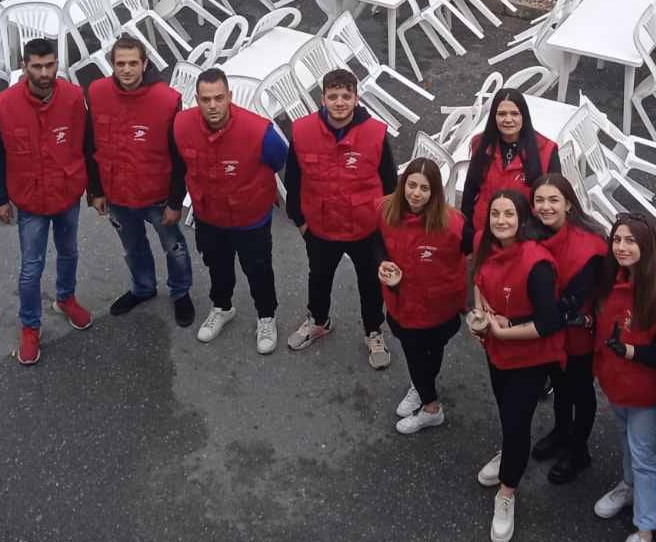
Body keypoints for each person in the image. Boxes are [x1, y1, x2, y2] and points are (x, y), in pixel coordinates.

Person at [0, 38, 94, 366]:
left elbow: (87, 144)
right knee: (31, 267)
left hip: (66, 193)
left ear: (57, 63)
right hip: (30, 199)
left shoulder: (74, 97)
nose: (44, 73)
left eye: (50, 65)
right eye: (37, 66)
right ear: (24, 66)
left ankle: (66, 299)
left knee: (69, 251)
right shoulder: (2, 106)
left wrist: (95, 188)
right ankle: (30, 326)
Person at [284, 69, 399, 368]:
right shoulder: (302, 131)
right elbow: (293, 179)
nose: (339, 102)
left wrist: (387, 227)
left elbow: (390, 183)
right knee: (319, 278)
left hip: (366, 228)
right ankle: (319, 321)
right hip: (320, 227)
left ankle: (373, 330)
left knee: (370, 283)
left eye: (346, 96)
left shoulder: (375, 133)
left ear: (356, 98)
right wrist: (300, 221)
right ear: (322, 99)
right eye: (333, 96)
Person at [170, 68, 289, 354]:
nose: (212, 105)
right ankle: (222, 308)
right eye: (205, 99)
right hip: (209, 216)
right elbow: (179, 165)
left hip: (250, 219)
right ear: (196, 99)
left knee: (258, 269)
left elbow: (280, 161)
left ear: (230, 97)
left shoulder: (260, 132)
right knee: (217, 266)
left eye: (219, 98)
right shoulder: (181, 125)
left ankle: (266, 316)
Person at [470, 189, 564, 542]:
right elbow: (478, 284)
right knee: (506, 411)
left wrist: (500, 332)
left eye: (509, 214)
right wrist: (480, 317)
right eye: (495, 213)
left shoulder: (537, 264)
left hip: (530, 357)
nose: (501, 220)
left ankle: (507, 492)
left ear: (523, 219)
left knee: (517, 421)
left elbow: (549, 323)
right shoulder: (486, 246)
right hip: (498, 351)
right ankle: (510, 451)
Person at [84, 36, 195, 326]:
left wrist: (175, 202)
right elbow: (90, 144)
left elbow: (179, 156)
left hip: (157, 195)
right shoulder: (96, 92)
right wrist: (95, 190)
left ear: (145, 64)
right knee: (133, 248)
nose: (127, 70)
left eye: (133, 63)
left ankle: (181, 292)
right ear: (112, 64)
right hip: (117, 194)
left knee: (174, 247)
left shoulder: (167, 100)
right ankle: (143, 288)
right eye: (120, 63)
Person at [593, 213, 656, 542]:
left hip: (646, 391)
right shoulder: (614, 279)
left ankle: (644, 534)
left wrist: (628, 351)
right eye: (617, 240)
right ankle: (627, 487)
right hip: (617, 385)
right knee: (628, 441)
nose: (622, 247)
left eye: (630, 241)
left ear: (647, 246)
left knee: (645, 457)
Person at [378, 157, 470, 434]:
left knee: (428, 352)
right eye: (412, 185)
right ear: (402, 185)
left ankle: (431, 409)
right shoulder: (386, 209)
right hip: (403, 304)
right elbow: (374, 241)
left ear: (435, 192)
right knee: (415, 353)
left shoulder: (453, 224)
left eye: (424, 188)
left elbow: (479, 251)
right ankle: (422, 389)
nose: (416, 193)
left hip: (439, 307)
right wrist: (381, 263)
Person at [530, 174, 607, 484]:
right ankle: (562, 432)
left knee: (581, 391)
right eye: (539, 200)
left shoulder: (590, 246)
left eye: (553, 200)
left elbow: (572, 300)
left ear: (569, 204)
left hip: (577, 333)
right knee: (560, 386)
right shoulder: (534, 234)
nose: (546, 207)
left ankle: (578, 451)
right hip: (550, 330)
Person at [458, 87, 561, 235]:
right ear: (493, 116)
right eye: (501, 114)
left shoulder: (547, 150)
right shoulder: (480, 143)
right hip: (484, 230)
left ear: (524, 116)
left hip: (525, 234)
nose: (508, 119)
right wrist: (467, 229)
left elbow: (555, 200)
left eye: (514, 113)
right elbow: (470, 188)